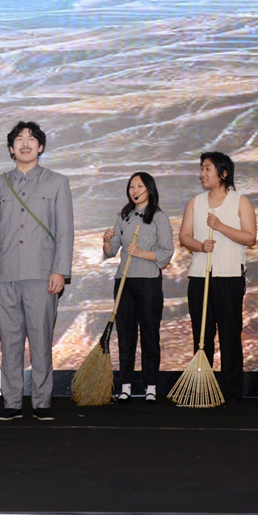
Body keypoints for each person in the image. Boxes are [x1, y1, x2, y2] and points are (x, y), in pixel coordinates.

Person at [0, 121, 73, 421]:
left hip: (42, 274)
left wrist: (60, 270)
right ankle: (11, 403)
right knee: (9, 341)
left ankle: (42, 403)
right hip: (4, 275)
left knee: (41, 340)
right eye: (19, 139)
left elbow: (65, 230)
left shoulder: (57, 182)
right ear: (11, 148)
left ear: (41, 147)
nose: (25, 143)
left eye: (31, 139)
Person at [178, 152, 257, 404]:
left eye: (207, 169)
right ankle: (202, 389)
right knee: (201, 335)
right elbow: (184, 237)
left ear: (223, 173)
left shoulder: (240, 202)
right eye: (201, 168)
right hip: (200, 275)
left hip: (229, 275)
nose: (202, 173)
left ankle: (231, 392)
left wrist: (220, 226)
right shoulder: (195, 202)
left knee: (229, 335)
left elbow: (250, 237)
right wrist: (201, 246)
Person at [102, 172, 174, 404]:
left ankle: (150, 386)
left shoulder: (159, 217)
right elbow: (111, 251)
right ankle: (125, 386)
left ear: (149, 190)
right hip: (124, 280)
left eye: (139, 186)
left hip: (148, 280)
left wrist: (141, 253)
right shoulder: (123, 216)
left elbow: (167, 251)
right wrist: (106, 241)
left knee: (150, 334)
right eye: (131, 186)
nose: (134, 191)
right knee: (126, 335)